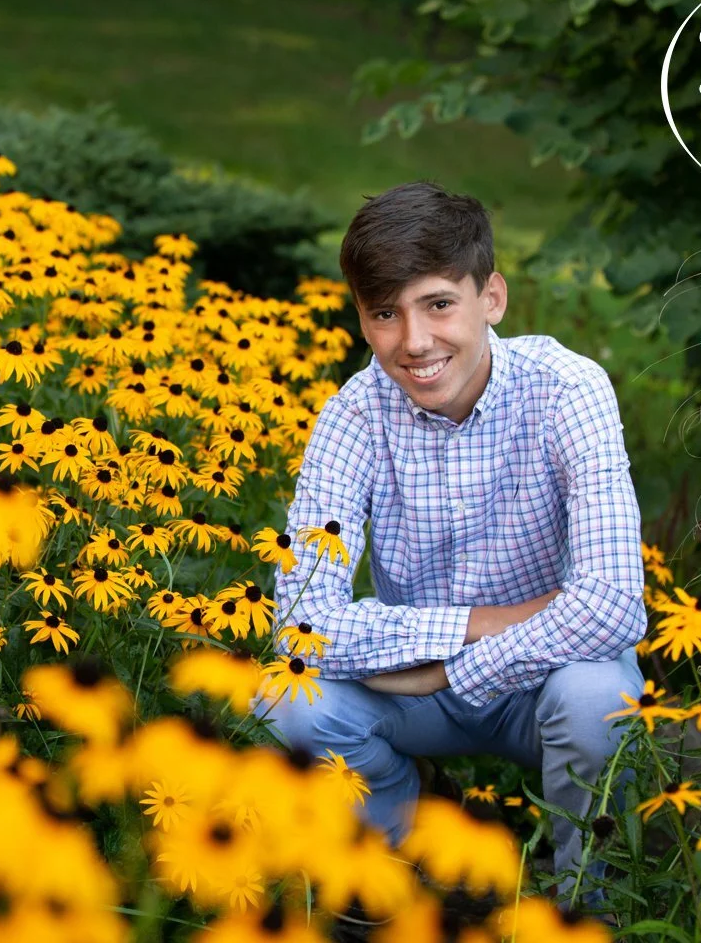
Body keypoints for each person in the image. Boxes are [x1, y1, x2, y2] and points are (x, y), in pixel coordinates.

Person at [259, 180, 646, 912]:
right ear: (363, 319)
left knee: (599, 698)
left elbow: (614, 607)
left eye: (439, 303)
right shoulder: (352, 417)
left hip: (542, 682)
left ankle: (583, 903)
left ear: (490, 298)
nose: (414, 342)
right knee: (289, 703)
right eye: (385, 314)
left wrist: (451, 671)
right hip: (417, 677)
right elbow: (301, 625)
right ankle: (416, 874)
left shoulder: (568, 389)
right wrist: (476, 627)